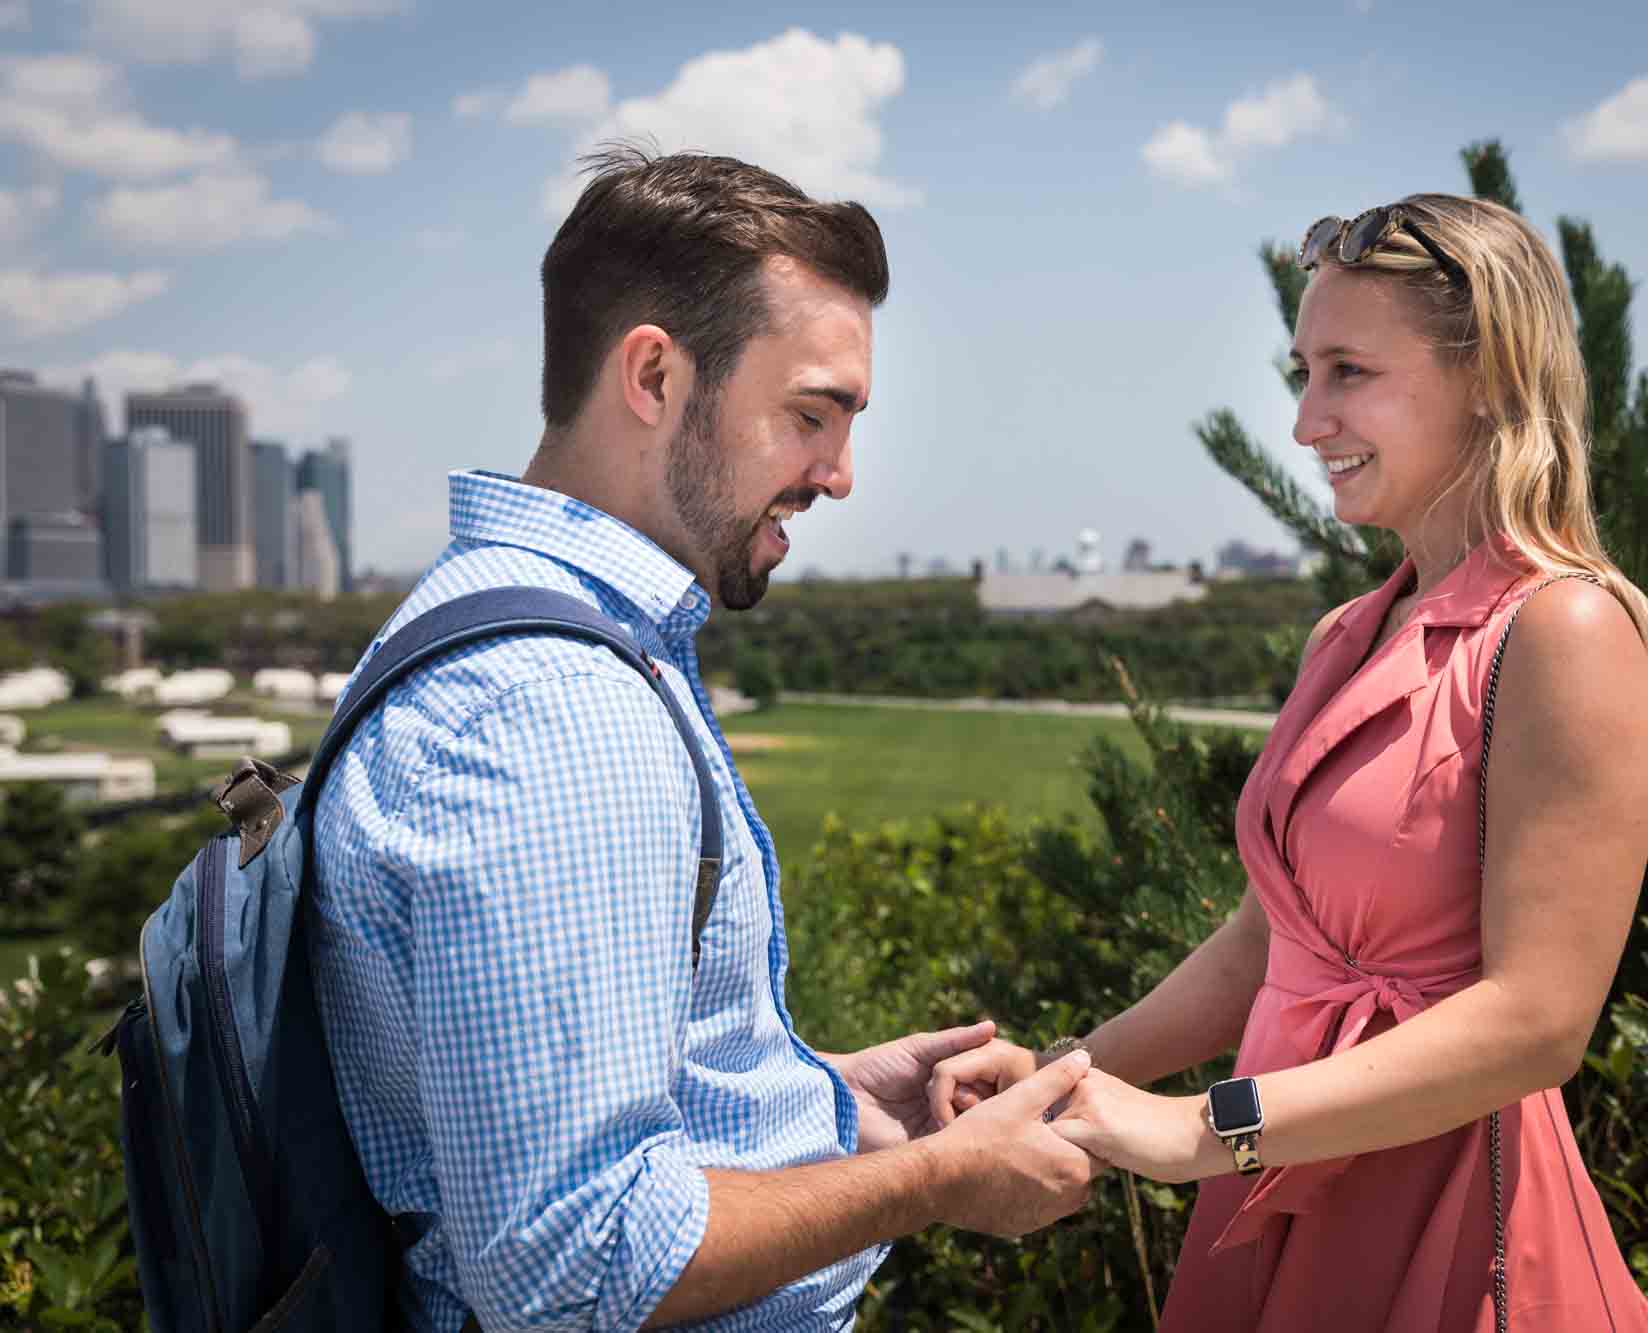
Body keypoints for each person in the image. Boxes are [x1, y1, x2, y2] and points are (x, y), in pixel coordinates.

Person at [310, 146, 1098, 1333]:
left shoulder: (488, 620)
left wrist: (815, 1098)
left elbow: (536, 1109)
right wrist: (935, 1180)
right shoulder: (554, 714)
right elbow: (572, 1270)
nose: (836, 475)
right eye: (808, 415)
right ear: (654, 375)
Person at [932, 195, 1648, 1330]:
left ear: (1487, 374)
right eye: (1302, 370)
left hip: (1445, 1219)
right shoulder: (1346, 635)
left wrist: (1199, 1130)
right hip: (1284, 1190)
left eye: (1347, 370)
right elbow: (1265, 942)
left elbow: (1539, 1020)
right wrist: (1065, 1077)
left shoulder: (1564, 631)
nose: (1305, 421)